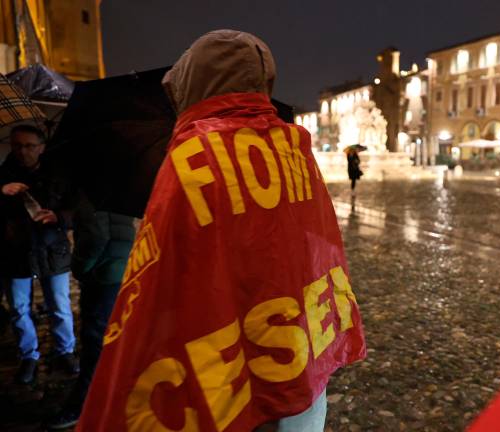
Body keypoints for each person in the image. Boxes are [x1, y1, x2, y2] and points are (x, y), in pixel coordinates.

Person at [77, 30, 366, 432]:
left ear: (194, 84)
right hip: (299, 352)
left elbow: (163, 285)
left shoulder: (193, 155)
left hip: (229, 374)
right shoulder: (294, 145)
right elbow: (316, 245)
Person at [47, 195, 136, 429]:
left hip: (102, 278)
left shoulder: (88, 197)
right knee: (116, 337)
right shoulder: (122, 195)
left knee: (95, 342)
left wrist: (79, 268)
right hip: (122, 273)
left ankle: (84, 404)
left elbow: (96, 239)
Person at [0, 124, 78, 385]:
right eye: (18, 145)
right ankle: (28, 357)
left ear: (42, 147)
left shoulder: (58, 174)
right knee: (19, 309)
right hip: (14, 254)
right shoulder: (2, 176)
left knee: (60, 306)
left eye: (29, 146)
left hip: (51, 250)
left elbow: (78, 210)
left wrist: (58, 217)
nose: (23, 151)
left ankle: (64, 352)